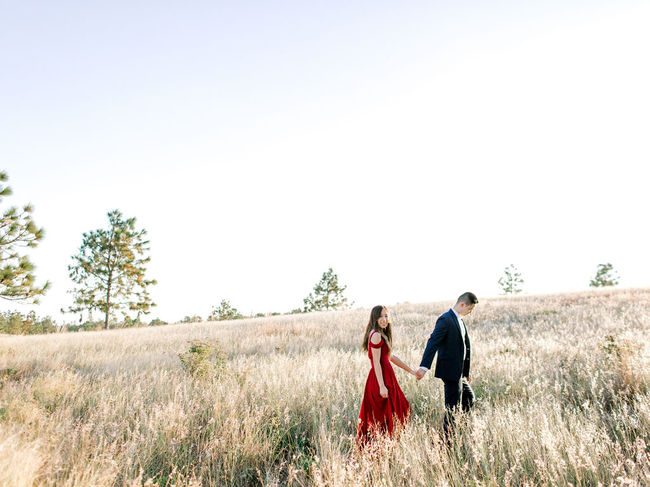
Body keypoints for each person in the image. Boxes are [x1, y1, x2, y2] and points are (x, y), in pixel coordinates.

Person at [415, 292, 478, 442]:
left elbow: (465, 347)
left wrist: (466, 371)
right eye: (470, 309)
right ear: (462, 304)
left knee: (469, 397)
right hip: (450, 372)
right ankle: (447, 442)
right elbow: (433, 342)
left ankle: (458, 427)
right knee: (452, 408)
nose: (470, 313)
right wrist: (424, 367)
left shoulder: (460, 321)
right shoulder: (445, 319)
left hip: (459, 373)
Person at [357, 305, 415, 446]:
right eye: (381, 316)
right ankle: (380, 448)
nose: (384, 319)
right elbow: (376, 363)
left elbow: (390, 357)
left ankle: (389, 445)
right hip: (380, 380)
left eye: (386, 316)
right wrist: (382, 386)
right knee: (384, 417)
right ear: (375, 318)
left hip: (387, 377)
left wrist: (411, 371)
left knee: (399, 409)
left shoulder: (381, 334)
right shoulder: (376, 335)